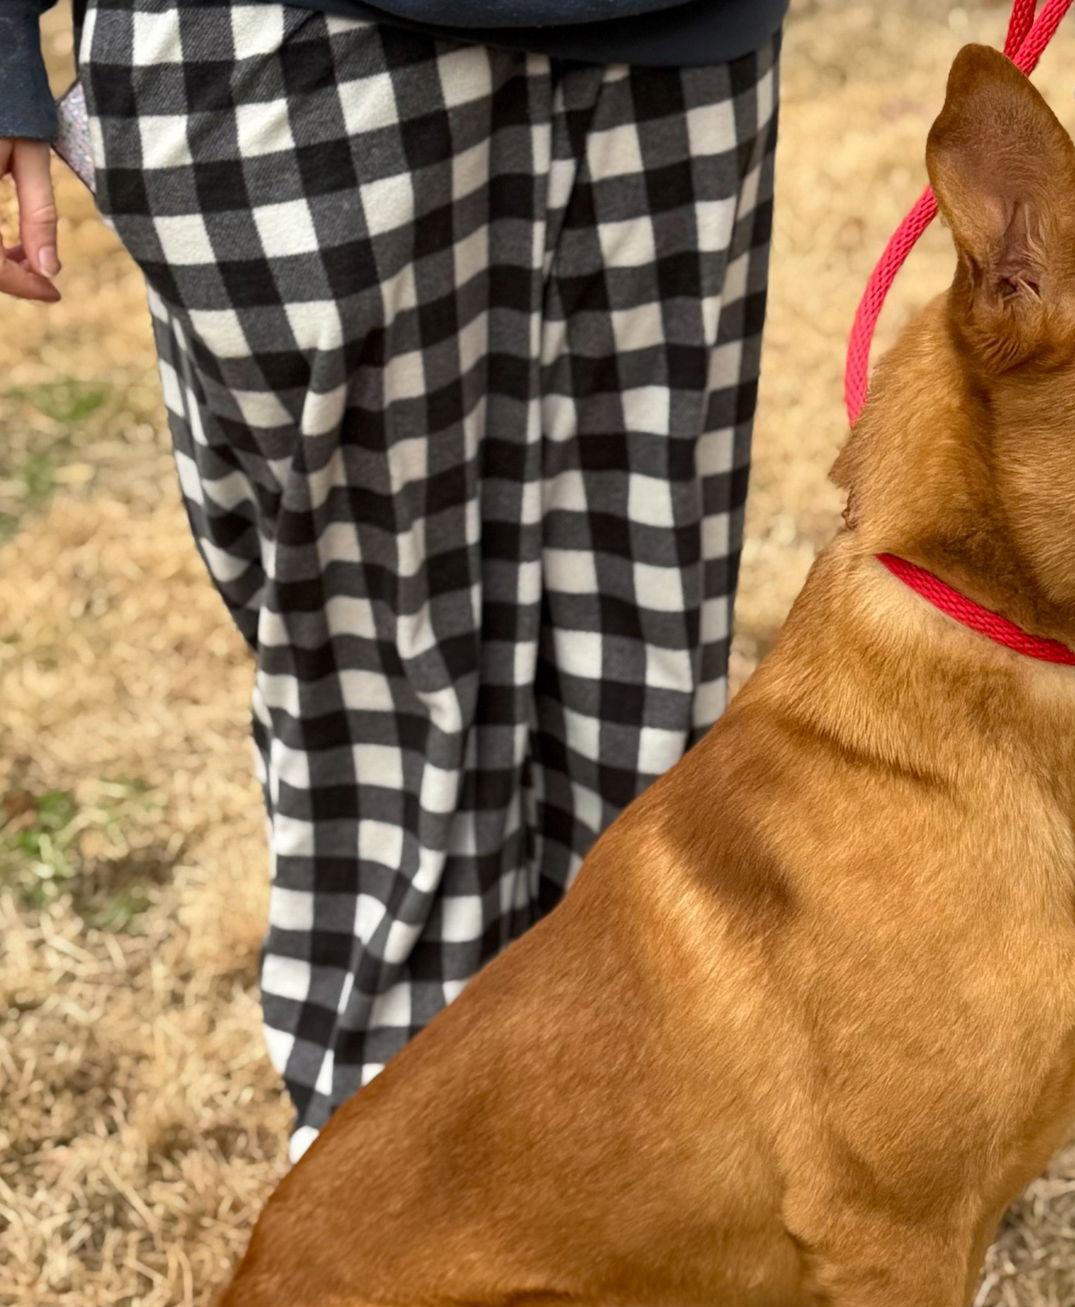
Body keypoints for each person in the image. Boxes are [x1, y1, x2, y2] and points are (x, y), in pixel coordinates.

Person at [0, 0, 783, 1157]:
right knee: (373, 704)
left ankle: (629, 1180)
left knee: (645, 671)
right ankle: (399, 1230)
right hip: (292, 52)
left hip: (682, 37)